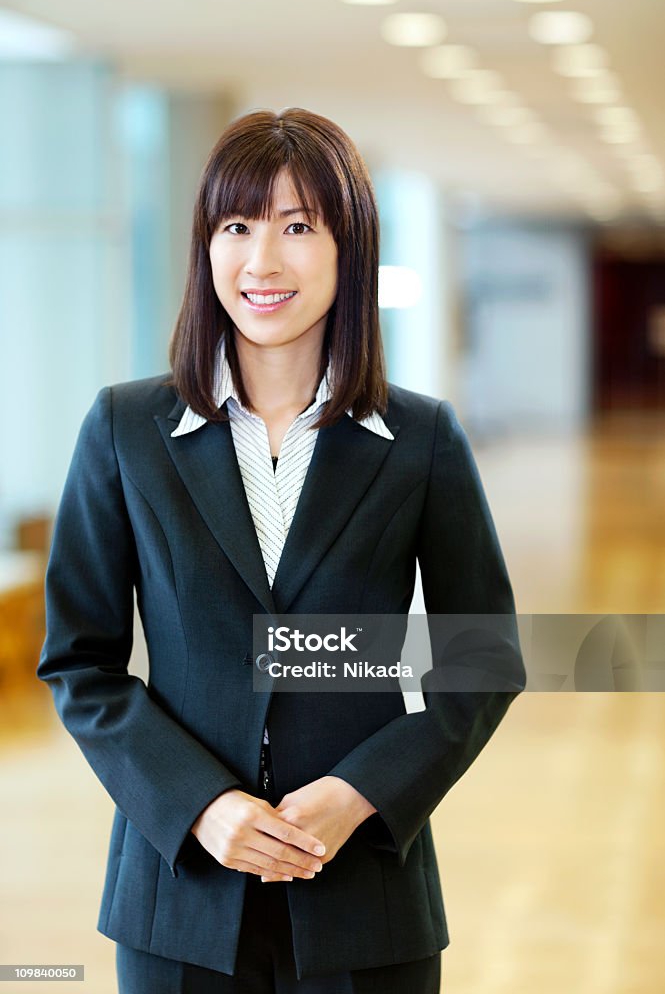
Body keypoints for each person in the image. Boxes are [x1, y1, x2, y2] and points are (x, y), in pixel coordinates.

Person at [37, 107, 526, 993]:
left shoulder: (419, 438)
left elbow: (480, 659)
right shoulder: (124, 430)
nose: (262, 261)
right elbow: (81, 663)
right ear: (205, 247)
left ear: (350, 250)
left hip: (365, 898)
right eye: (237, 226)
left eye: (298, 226)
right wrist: (199, 805)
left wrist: (361, 793)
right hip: (178, 896)